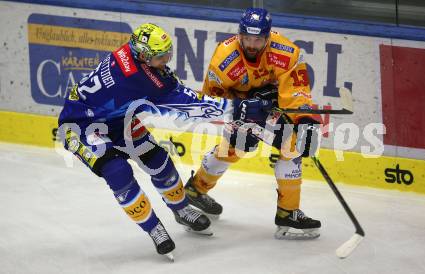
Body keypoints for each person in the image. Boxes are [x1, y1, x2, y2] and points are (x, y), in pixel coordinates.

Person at [58, 23, 270, 261]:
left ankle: (180, 209)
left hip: (117, 120)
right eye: (161, 56)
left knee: (157, 159)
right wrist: (241, 108)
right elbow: (191, 106)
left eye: (168, 53)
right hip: (80, 127)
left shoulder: (131, 54)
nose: (166, 59)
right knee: (118, 172)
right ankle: (154, 228)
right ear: (144, 55)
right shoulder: (142, 79)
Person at [184, 8, 322, 239]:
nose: (251, 44)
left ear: (268, 38)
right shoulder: (224, 58)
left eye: (257, 40)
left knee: (293, 146)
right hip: (243, 108)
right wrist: (244, 104)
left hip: (273, 108)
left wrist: (305, 120)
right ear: (239, 35)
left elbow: (296, 91)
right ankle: (196, 189)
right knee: (235, 148)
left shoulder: (287, 52)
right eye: (246, 38)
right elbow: (213, 99)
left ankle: (288, 211)